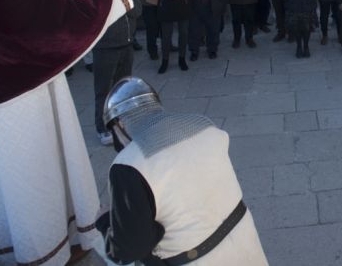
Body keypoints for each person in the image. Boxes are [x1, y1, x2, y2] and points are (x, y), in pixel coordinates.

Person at [0, 0, 142, 265]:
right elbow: (71, 19)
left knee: (4, 181)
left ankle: (13, 244)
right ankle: (44, 251)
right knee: (36, 175)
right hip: (24, 108)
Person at [96, 76, 268, 265]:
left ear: (120, 123)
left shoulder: (128, 165)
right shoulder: (204, 125)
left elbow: (129, 249)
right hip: (246, 245)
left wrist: (105, 221)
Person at [91, 0, 142, 146]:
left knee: (122, 89)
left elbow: (136, 12)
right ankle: (102, 127)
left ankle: (122, 124)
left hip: (125, 45)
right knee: (103, 90)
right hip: (104, 48)